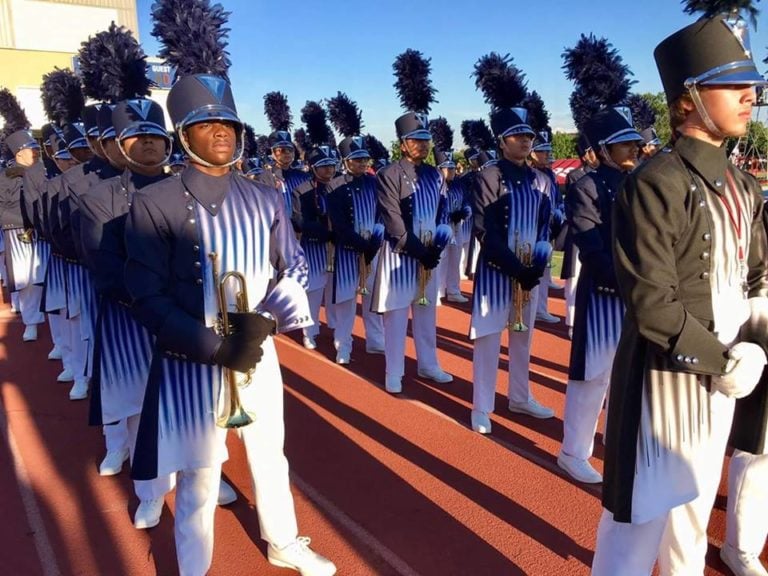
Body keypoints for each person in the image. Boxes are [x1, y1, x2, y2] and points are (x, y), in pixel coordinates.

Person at [128, 3, 336, 572]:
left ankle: (283, 542)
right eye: (206, 123)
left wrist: (261, 324)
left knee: (271, 453)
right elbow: (145, 296)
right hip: (192, 356)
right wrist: (213, 345)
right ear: (184, 133)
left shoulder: (267, 197)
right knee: (200, 471)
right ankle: (194, 564)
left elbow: (295, 267)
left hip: (257, 352)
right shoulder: (154, 202)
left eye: (229, 123)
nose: (220, 132)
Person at [592, 4, 768, 574]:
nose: (751, 95)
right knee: (636, 527)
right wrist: (722, 360)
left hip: (728, 375)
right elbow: (651, 303)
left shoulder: (743, 183)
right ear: (688, 96)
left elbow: (759, 271)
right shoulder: (654, 182)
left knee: (693, 518)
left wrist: (756, 345)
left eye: (753, 85)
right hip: (665, 379)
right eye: (733, 85)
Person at [557, 107, 644, 484]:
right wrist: (628, 277)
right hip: (606, 291)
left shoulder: (640, 181)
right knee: (591, 374)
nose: (634, 148)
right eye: (625, 143)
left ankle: (615, 438)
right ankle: (573, 451)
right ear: (605, 149)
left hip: (637, 293)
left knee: (627, 373)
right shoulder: (586, 186)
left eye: (634, 142)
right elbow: (590, 244)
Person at [371, 49, 453, 394]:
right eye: (415, 140)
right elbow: (391, 216)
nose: (421, 145)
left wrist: (436, 246)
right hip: (400, 253)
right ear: (402, 144)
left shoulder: (435, 174)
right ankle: (394, 371)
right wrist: (416, 247)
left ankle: (429, 364)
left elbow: (443, 211)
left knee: (426, 312)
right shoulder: (388, 174)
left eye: (425, 140)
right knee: (395, 315)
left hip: (429, 254)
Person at [468, 107, 553, 433]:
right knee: (488, 341)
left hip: (529, 273)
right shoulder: (488, 176)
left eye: (529, 135)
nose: (526, 141)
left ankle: (520, 396)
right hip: (496, 271)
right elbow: (485, 230)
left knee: (523, 339)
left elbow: (545, 229)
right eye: (518, 136)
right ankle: (481, 407)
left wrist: (537, 265)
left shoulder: (542, 180)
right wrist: (516, 267)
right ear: (502, 141)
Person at [291, 141, 338, 351]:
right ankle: (309, 331)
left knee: (336, 290)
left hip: (337, 247)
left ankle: (337, 327)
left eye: (332, 165)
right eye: (324, 165)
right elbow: (299, 220)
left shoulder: (341, 185)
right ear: (313, 167)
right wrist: (325, 230)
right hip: (314, 247)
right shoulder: (301, 190)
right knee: (314, 290)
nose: (329, 170)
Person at [0, 128, 45, 342]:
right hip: (19, 232)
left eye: (37, 148)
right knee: (27, 281)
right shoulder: (4, 178)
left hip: (45, 232)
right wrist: (23, 220)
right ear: (19, 153)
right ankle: (31, 322)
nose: (36, 152)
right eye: (32, 148)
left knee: (48, 279)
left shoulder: (45, 171)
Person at [530, 130, 564, 325]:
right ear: (533, 153)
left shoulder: (549, 173)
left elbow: (556, 197)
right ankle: (536, 308)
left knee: (544, 269)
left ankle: (540, 307)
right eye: (543, 151)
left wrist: (559, 211)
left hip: (549, 226)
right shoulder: (531, 174)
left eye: (548, 150)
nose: (547, 155)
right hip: (535, 228)